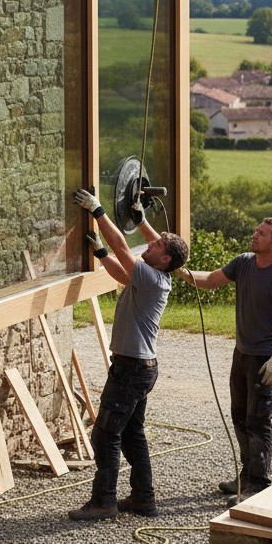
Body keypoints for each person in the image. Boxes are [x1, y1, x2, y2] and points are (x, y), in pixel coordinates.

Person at [69, 187, 189, 520]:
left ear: (165, 260)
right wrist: (101, 253)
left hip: (132, 369)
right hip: (139, 367)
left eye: (156, 245)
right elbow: (121, 271)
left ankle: (104, 501)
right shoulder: (150, 278)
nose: (149, 244)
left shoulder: (152, 277)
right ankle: (142, 500)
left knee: (106, 433)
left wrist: (97, 210)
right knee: (132, 433)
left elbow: (124, 249)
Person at [180, 217, 272, 500]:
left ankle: (257, 483)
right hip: (242, 354)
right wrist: (179, 270)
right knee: (240, 418)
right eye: (256, 230)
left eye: (262, 233)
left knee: (258, 421)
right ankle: (246, 476)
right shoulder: (244, 262)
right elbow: (210, 280)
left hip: (263, 360)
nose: (255, 235)